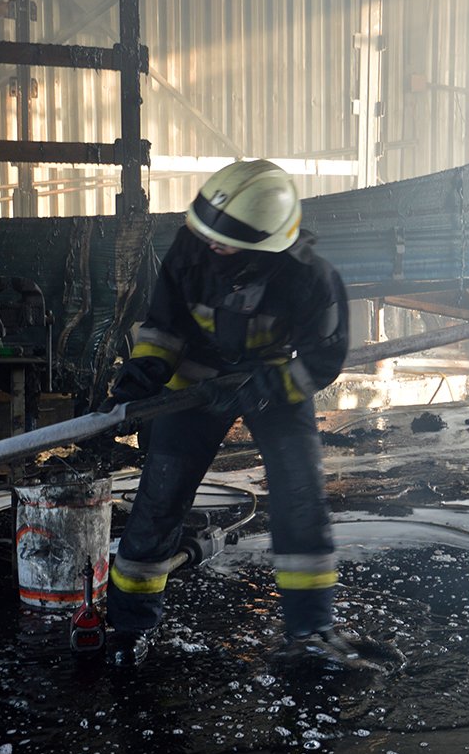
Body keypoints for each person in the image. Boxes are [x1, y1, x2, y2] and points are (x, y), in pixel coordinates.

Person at [103, 159, 351, 666]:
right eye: (207, 230)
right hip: (192, 383)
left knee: (300, 497)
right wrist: (142, 374)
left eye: (225, 238)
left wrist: (263, 389)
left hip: (272, 384)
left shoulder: (311, 279)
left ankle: (310, 632)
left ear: (265, 243)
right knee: (160, 499)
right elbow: (162, 328)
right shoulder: (190, 249)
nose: (209, 242)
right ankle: (129, 626)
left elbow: (323, 360)